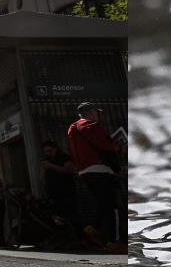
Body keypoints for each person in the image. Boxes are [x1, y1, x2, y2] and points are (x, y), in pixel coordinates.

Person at [66, 102, 122, 247]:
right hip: (99, 168)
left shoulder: (74, 128)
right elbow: (102, 143)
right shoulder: (87, 124)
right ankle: (114, 241)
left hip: (87, 169)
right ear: (91, 112)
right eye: (96, 113)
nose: (98, 115)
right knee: (112, 206)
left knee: (102, 203)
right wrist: (117, 147)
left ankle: (93, 227)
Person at [40, 141, 77, 231]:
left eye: (49, 150)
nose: (48, 153)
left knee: (71, 215)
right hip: (53, 193)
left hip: (66, 191)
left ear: (55, 149)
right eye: (45, 152)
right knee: (58, 217)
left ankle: (78, 236)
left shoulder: (63, 157)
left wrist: (52, 166)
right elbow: (42, 177)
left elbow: (69, 170)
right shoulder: (46, 160)